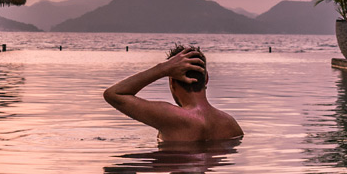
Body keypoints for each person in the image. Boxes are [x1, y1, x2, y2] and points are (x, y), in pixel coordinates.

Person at [103, 44, 243, 143]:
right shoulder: (231, 125)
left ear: (172, 81)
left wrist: (162, 69)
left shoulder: (171, 117)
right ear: (206, 78)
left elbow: (113, 94)